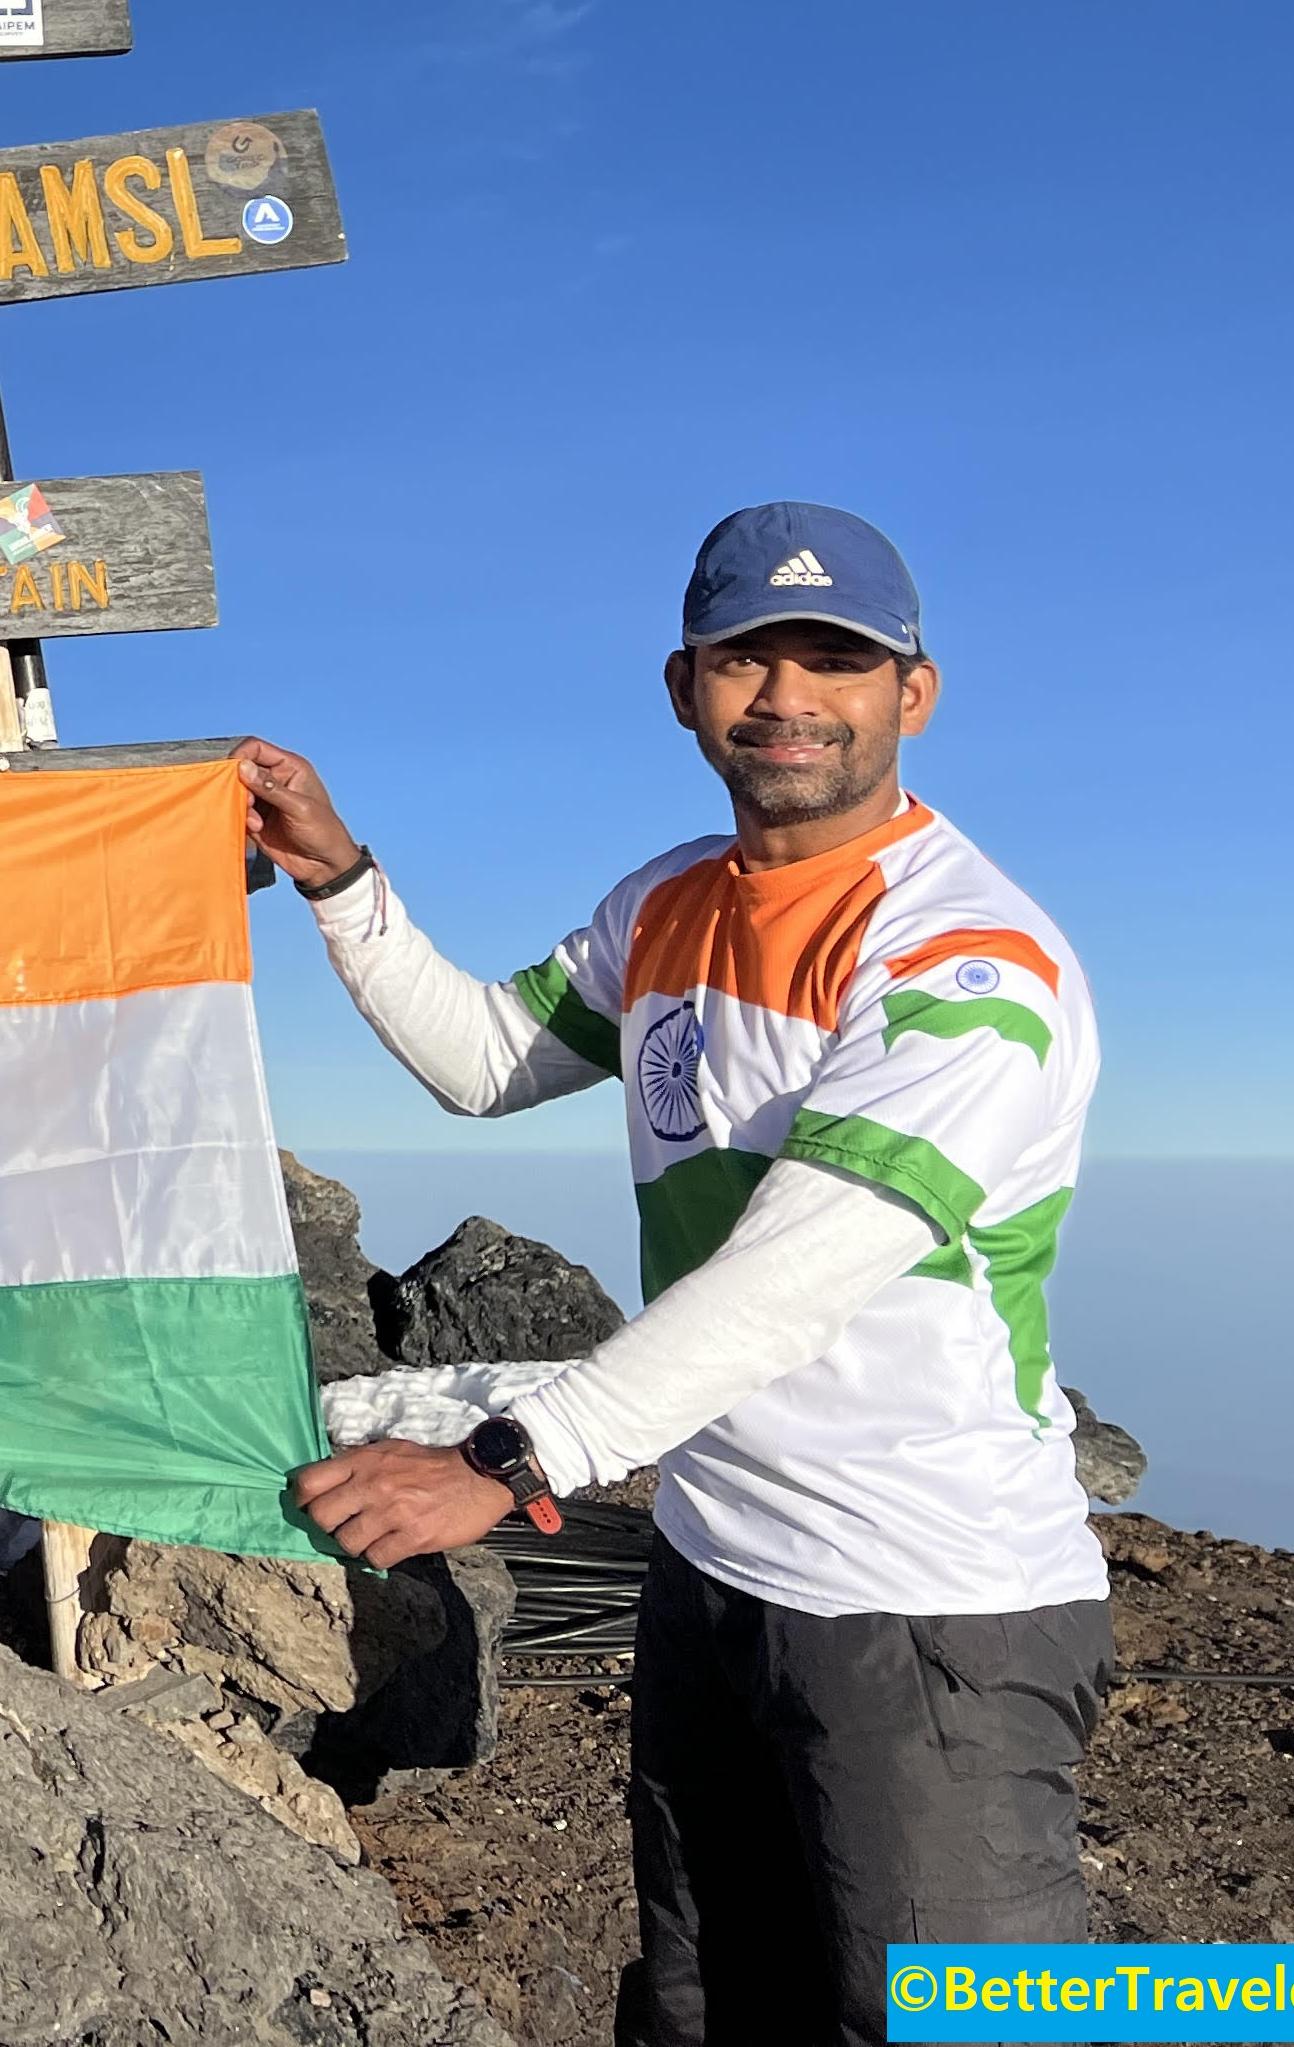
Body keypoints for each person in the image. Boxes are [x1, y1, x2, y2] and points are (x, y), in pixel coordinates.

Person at [239, 503, 1106, 2046]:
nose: (786, 695)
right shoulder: (666, 904)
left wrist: (506, 1461)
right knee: (705, 2002)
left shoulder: (973, 958)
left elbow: (807, 1262)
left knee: (962, 2020)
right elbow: (490, 1061)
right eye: (743, 658)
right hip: (713, 1573)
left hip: (925, 1602)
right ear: (682, 686)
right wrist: (340, 881)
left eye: (835, 657)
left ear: (915, 691)